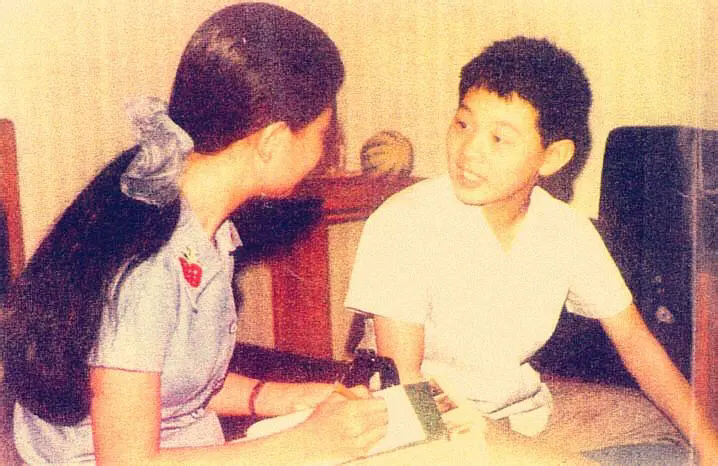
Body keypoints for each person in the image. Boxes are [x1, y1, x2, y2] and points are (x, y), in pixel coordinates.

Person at [1, 3, 387, 464]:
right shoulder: (150, 267)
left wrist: (288, 398)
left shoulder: (202, 225)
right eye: (323, 134)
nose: (325, 151)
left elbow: (172, 379)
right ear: (272, 140)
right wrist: (305, 443)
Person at [344, 36, 718, 463]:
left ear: (552, 157)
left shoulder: (566, 229)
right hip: (420, 422)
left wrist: (711, 448)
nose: (469, 151)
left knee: (670, 439)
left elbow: (635, 341)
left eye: (499, 138)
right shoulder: (404, 221)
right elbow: (405, 383)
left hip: (521, 412)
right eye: (463, 124)